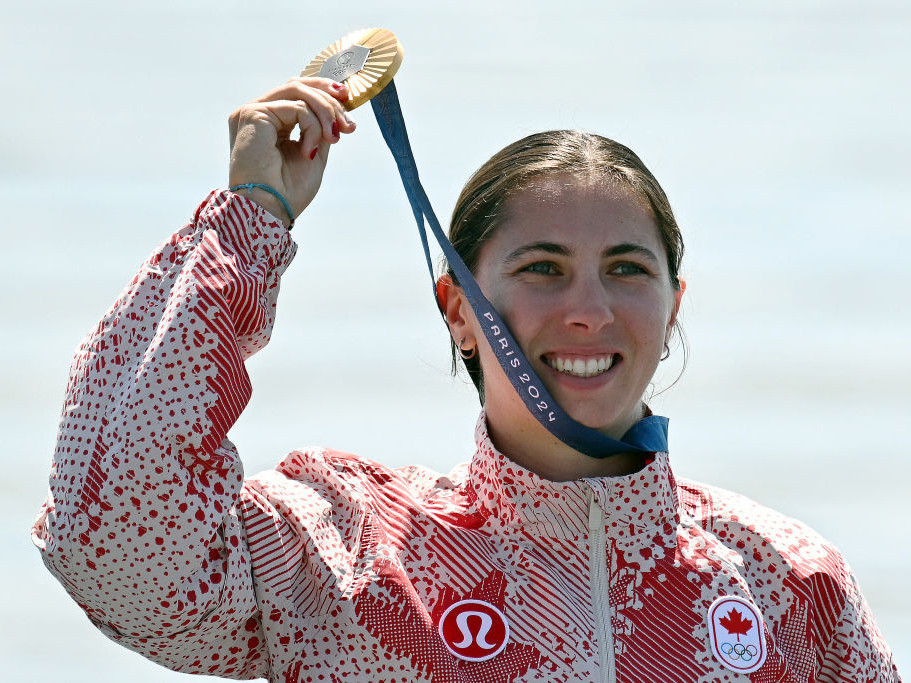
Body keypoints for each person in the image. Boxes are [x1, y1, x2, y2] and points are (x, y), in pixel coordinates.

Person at [32, 77, 899, 682]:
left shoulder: (785, 580)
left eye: (628, 269)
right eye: (543, 267)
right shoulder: (342, 555)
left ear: (674, 306)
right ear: (456, 307)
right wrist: (249, 222)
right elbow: (111, 538)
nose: (589, 310)